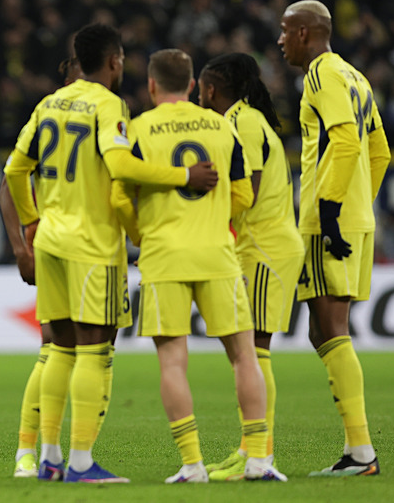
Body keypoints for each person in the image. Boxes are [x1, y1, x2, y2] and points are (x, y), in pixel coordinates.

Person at [4, 24, 218, 483]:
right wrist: (184, 176)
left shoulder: (49, 103)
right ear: (114, 61)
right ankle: (81, 462)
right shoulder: (108, 105)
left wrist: (32, 220)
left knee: (59, 349)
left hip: (51, 241)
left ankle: (49, 458)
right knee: (95, 350)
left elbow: (15, 169)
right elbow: (119, 164)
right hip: (92, 245)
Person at [128, 48, 287, 483]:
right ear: (193, 84)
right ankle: (258, 460)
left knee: (172, 362)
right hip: (218, 253)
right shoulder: (223, 126)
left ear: (152, 85)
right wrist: (214, 217)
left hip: (164, 255)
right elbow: (244, 195)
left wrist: (141, 232)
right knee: (244, 355)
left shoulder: (140, 128)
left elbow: (122, 195)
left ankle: (192, 464)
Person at [277, 0, 390, 477]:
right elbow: (380, 152)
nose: (280, 40)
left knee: (332, 329)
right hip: (354, 217)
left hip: (330, 220)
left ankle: (361, 453)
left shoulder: (322, 74)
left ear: (305, 33)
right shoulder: (356, 76)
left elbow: (344, 140)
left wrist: (329, 210)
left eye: (285, 31)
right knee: (321, 330)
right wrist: (358, 206)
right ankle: (356, 451)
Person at [197, 52, 305, 481]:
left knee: (254, 351)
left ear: (211, 90)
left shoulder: (241, 123)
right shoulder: (248, 119)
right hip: (259, 245)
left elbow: (249, 192)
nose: (198, 96)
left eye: (201, 89)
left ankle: (260, 456)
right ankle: (249, 448)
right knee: (249, 351)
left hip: (263, 247)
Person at [0, 57, 83, 478]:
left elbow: (10, 178)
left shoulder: (56, 113)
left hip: (75, 246)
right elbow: (9, 182)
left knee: (70, 350)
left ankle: (43, 454)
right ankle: (42, 452)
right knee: (63, 348)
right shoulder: (71, 112)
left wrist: (25, 240)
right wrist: (22, 241)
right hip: (74, 247)